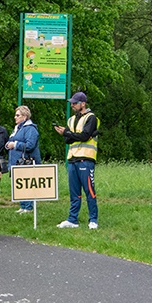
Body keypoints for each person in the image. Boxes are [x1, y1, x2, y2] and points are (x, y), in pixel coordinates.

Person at [55, 92, 100, 229]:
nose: (72, 105)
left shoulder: (91, 118)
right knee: (74, 192)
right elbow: (68, 139)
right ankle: (72, 219)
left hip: (86, 158)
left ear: (83, 104)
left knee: (89, 191)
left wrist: (68, 134)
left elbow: (85, 136)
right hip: (73, 158)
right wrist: (67, 134)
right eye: (72, 103)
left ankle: (93, 219)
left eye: (75, 103)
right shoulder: (71, 119)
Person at [5, 105, 41, 213]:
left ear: (25, 116)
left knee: (27, 184)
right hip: (16, 162)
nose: (15, 117)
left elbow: (30, 145)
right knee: (19, 184)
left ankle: (28, 207)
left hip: (27, 161)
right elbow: (10, 141)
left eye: (17, 115)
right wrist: (8, 145)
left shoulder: (31, 129)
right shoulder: (17, 128)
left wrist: (15, 145)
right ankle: (23, 205)